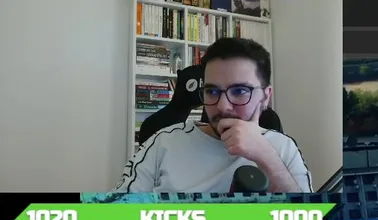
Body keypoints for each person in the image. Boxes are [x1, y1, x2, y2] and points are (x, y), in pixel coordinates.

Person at [116, 38, 312, 193]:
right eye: (212, 91)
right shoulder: (163, 142)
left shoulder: (284, 149)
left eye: (240, 91)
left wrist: (266, 156)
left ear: (265, 97)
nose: (223, 106)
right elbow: (115, 216)